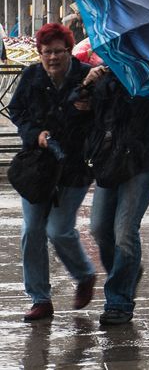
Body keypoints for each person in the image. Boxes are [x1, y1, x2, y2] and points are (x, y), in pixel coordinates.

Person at [9, 23, 96, 322]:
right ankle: (40, 299)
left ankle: (85, 274)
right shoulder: (31, 76)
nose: (53, 58)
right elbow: (16, 111)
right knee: (32, 230)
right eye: (47, 52)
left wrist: (87, 110)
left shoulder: (86, 76)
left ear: (69, 51)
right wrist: (36, 135)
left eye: (58, 51)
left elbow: (101, 118)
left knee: (58, 229)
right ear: (40, 53)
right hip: (38, 166)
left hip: (73, 166)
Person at [84, 64, 149, 325]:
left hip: (145, 157)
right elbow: (82, 110)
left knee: (124, 231)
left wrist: (132, 82)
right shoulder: (108, 72)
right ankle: (127, 271)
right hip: (112, 158)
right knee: (99, 227)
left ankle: (119, 301)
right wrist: (88, 84)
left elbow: (144, 116)